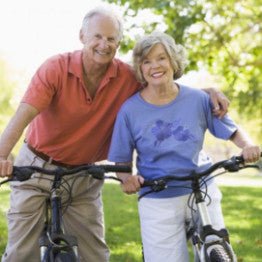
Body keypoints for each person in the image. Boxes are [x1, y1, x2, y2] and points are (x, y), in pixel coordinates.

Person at [0, 7, 230, 262]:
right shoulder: (55, 69)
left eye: (111, 39)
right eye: (97, 36)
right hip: (36, 167)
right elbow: (21, 117)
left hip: (84, 175)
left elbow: (165, 86)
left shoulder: (126, 77)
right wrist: (1, 156)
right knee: (21, 252)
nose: (103, 44)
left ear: (118, 44)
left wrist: (205, 92)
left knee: (95, 254)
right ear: (82, 36)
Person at [107, 31, 261, 262]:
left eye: (161, 58)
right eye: (146, 61)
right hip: (157, 194)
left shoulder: (198, 99)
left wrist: (248, 147)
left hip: (202, 186)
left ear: (173, 61)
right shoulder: (129, 110)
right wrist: (125, 178)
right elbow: (121, 162)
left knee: (218, 249)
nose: (155, 66)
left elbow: (232, 130)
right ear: (140, 69)